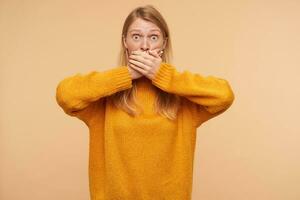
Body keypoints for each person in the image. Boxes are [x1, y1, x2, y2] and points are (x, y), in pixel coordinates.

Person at [55, 4, 235, 200]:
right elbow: (66, 95)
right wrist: (126, 74)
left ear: (164, 43)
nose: (145, 46)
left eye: (154, 37)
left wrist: (164, 76)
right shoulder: (104, 100)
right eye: (136, 37)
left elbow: (224, 95)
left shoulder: (183, 101)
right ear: (125, 42)